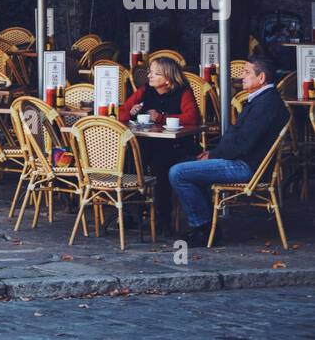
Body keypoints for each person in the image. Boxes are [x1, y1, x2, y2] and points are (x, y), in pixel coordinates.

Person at [169, 55, 290, 246]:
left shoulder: (266, 104)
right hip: (244, 162)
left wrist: (213, 154)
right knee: (186, 164)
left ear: (261, 78)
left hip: (247, 167)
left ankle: (203, 228)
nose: (242, 77)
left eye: (247, 72)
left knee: (178, 172)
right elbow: (240, 139)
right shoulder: (263, 100)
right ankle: (207, 227)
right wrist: (212, 154)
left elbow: (243, 143)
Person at [119, 56, 200, 234]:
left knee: (161, 164)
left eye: (155, 73)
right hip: (147, 141)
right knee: (128, 159)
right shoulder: (145, 90)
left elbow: (192, 118)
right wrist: (131, 112)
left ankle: (163, 218)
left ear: (168, 78)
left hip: (176, 145)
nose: (149, 76)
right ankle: (131, 212)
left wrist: (162, 118)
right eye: (150, 72)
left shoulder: (183, 92)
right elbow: (122, 112)